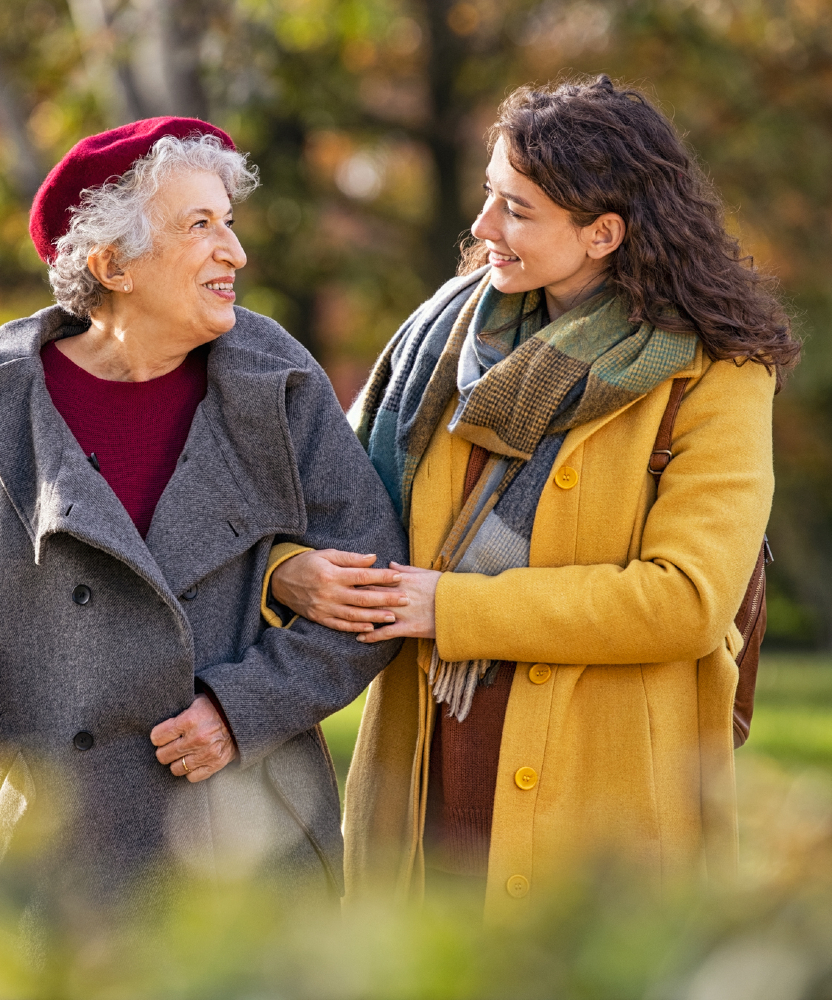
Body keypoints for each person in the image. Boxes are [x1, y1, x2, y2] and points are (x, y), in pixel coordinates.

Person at [0, 117, 406, 925]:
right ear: (112, 264)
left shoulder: (277, 381)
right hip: (52, 848)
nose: (235, 252)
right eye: (200, 226)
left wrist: (243, 707)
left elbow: (375, 590)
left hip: (247, 839)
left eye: (229, 221)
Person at [267, 76, 798, 916]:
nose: (482, 229)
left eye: (516, 209)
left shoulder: (719, 376)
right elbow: (319, 505)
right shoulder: (440, 346)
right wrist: (291, 571)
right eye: (488, 197)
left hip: (604, 809)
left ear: (602, 233)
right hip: (424, 781)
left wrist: (456, 608)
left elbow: (687, 600)